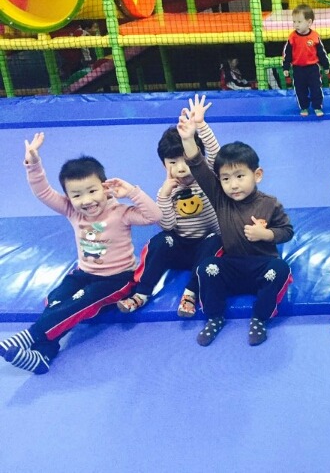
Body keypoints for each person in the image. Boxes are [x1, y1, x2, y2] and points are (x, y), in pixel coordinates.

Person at [0, 134, 161, 374]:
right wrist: (33, 164)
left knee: (79, 303)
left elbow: (154, 216)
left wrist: (131, 192)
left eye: (92, 191)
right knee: (55, 300)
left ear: (105, 187)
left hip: (117, 279)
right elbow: (43, 192)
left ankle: (31, 336)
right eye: (77, 195)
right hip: (83, 273)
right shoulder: (73, 212)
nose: (86, 201)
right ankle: (43, 355)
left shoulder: (120, 212)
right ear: (68, 197)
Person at [177, 108, 294, 346]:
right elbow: (198, 166)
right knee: (207, 267)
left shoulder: (270, 203)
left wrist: (266, 234)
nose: (233, 185)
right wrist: (188, 138)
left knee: (281, 269)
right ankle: (215, 317)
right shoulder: (220, 198)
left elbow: (287, 231)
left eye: (240, 176)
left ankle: (260, 318)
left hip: (262, 266)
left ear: (257, 175)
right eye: (226, 179)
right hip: (232, 266)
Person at [117, 94, 222, 318]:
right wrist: (164, 196)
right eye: (173, 163)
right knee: (160, 241)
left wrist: (201, 125)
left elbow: (215, 154)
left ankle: (191, 293)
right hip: (181, 246)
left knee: (217, 240)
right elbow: (168, 225)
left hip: (207, 245)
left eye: (186, 160)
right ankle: (142, 293)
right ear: (164, 164)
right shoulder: (166, 190)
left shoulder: (207, 176)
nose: (181, 168)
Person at [282, 4, 330, 117]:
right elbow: (287, 53)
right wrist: (286, 67)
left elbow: (321, 53)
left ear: (309, 22)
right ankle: (304, 107)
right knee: (300, 89)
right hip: (298, 69)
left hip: (312, 68)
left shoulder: (314, 36)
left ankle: (317, 106)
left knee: (316, 88)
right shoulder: (292, 37)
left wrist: (326, 65)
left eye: (299, 22)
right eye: (294, 22)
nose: (296, 25)